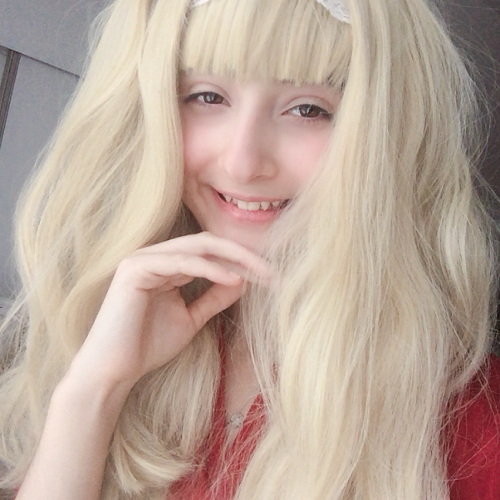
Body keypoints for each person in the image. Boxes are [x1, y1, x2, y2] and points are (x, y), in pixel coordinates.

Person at [0, 0, 499, 498]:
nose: (242, 163)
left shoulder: (471, 420)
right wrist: (94, 390)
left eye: (308, 109)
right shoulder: (112, 327)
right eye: (207, 96)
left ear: (386, 133)